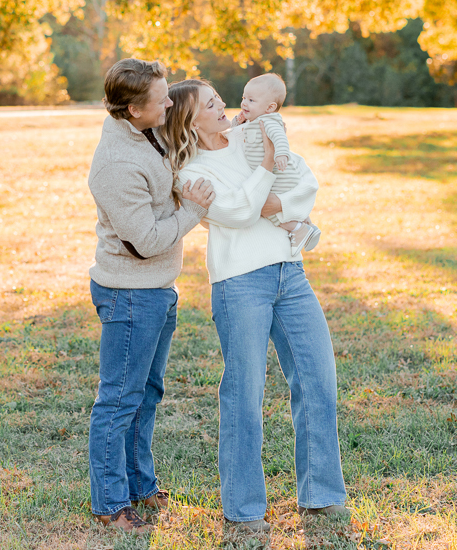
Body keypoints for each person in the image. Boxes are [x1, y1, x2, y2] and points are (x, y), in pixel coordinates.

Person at [161, 79, 349, 540]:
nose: (223, 104)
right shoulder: (189, 174)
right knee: (245, 394)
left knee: (318, 380)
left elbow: (304, 178)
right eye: (210, 103)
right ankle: (244, 509)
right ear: (190, 119)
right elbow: (240, 214)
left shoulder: (252, 131)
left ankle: (322, 496)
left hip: (291, 272)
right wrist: (266, 168)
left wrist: (276, 200)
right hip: (240, 282)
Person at [85, 58, 216, 536]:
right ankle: (111, 504)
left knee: (146, 396)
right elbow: (146, 241)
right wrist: (196, 211)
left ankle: (141, 485)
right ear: (133, 108)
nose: (169, 103)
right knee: (119, 402)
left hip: (157, 292)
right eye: (161, 99)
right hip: (130, 295)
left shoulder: (147, 131)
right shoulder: (118, 164)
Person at [233, 73, 321, 252]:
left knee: (267, 210)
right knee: (276, 207)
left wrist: (281, 154)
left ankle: (298, 229)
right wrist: (236, 123)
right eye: (244, 98)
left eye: (251, 100)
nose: (244, 103)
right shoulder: (255, 121)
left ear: (270, 107)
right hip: (271, 174)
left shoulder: (268, 121)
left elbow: (280, 138)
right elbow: (238, 136)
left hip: (278, 175)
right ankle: (307, 224)